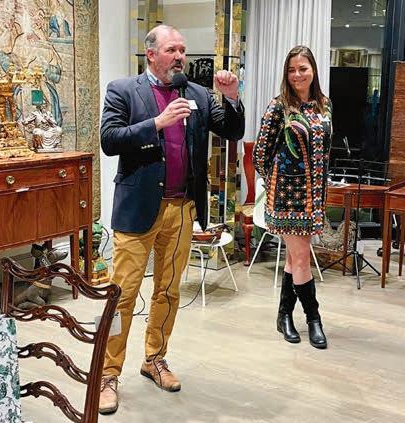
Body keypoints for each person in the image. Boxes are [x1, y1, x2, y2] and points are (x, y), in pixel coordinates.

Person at [99, 24, 244, 415]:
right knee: (122, 295)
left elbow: (232, 130)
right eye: (171, 49)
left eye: (182, 49)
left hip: (181, 209)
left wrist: (232, 98)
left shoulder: (197, 94)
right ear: (151, 54)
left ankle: (155, 358)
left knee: (168, 291)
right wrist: (157, 123)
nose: (180, 56)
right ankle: (107, 374)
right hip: (137, 209)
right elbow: (109, 140)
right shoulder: (123, 90)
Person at [253, 45, 332, 349]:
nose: (297, 75)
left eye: (303, 68)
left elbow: (326, 152)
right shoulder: (279, 107)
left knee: (293, 258)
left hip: (315, 195)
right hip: (287, 197)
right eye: (291, 70)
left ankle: (284, 315)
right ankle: (314, 319)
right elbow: (260, 153)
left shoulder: (325, 105)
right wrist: (278, 179)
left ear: (313, 70)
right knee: (301, 258)